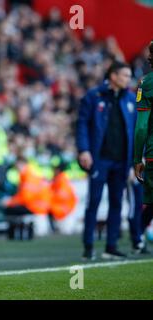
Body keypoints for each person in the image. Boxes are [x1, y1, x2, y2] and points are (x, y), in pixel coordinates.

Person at [76, 61, 137, 260]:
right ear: (113, 76)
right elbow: (82, 124)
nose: (128, 80)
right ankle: (88, 246)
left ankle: (111, 246)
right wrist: (84, 149)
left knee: (117, 202)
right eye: (125, 76)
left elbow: (136, 131)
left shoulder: (129, 99)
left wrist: (134, 161)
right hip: (99, 158)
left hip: (121, 160)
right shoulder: (94, 96)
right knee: (93, 201)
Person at [133, 40, 153, 253]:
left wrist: (137, 159)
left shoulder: (146, 82)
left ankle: (137, 232)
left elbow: (141, 128)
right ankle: (138, 232)